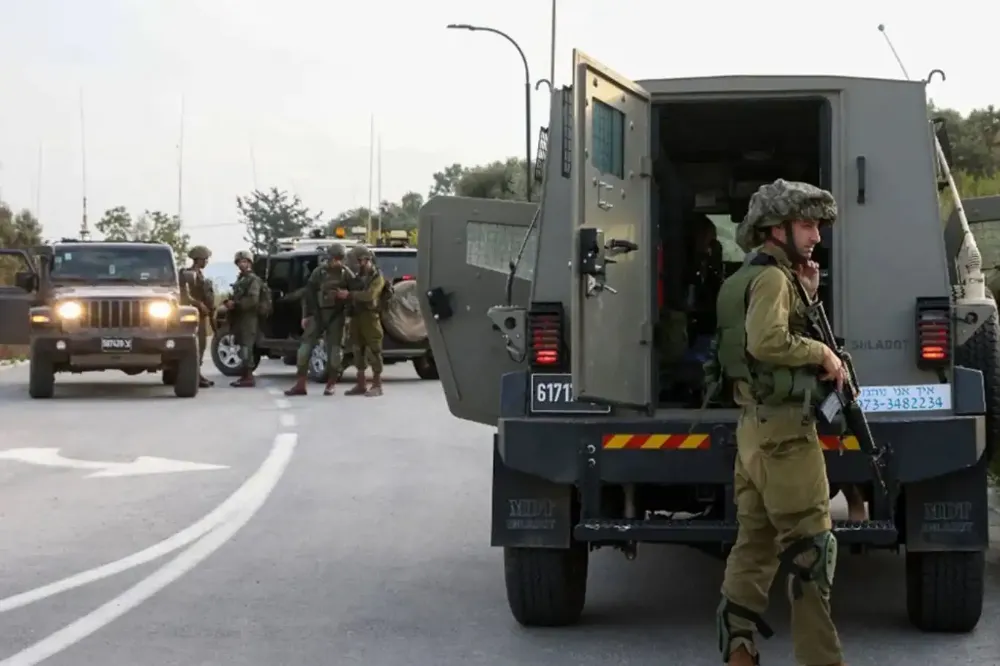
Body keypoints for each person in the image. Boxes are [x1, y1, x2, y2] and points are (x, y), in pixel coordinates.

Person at [713, 179, 847, 666]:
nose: (816, 237)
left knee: (754, 546)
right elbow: (766, 342)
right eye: (807, 225)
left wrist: (806, 294)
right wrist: (823, 353)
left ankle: (739, 651)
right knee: (812, 553)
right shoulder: (772, 279)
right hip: (786, 437)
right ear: (776, 228)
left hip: (754, 432)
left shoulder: (744, 278)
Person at [285, 243, 354, 396]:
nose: (336, 262)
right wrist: (306, 315)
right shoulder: (319, 272)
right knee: (304, 350)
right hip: (317, 314)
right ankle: (300, 384)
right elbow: (309, 293)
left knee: (335, 352)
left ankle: (331, 384)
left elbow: (354, 294)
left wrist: (347, 308)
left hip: (337, 315)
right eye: (334, 258)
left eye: (339, 259)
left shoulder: (346, 274)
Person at [344, 245, 385, 397]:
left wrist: (350, 295)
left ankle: (377, 385)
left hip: (370, 317)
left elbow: (369, 295)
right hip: (356, 316)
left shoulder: (377, 277)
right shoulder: (357, 276)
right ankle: (361, 384)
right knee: (357, 349)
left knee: (373, 350)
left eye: (357, 261)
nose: (355, 264)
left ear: (365, 260)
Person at [222, 250, 264, 388]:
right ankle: (245, 375)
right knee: (241, 345)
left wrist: (236, 304)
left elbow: (253, 300)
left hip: (249, 317)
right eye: (240, 262)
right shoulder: (242, 279)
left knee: (247, 346)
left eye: (244, 262)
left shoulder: (253, 280)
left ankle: (249, 376)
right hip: (240, 317)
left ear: (249, 263)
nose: (242, 264)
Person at [179, 245, 216, 388]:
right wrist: (199, 304)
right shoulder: (187, 274)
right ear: (198, 259)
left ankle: (197, 373)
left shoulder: (199, 274)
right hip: (192, 315)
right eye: (204, 259)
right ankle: (195, 375)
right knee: (197, 345)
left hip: (202, 315)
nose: (206, 262)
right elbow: (184, 295)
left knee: (202, 345)